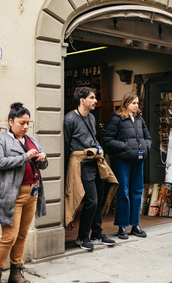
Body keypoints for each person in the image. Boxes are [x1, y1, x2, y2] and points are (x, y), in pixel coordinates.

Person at [0, 102, 48, 283]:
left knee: (22, 235)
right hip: (11, 195)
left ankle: (16, 272)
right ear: (11, 121)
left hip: (32, 193)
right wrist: (25, 157)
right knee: (9, 237)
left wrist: (43, 159)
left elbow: (43, 165)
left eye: (28, 123)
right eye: (22, 123)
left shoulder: (32, 140)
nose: (26, 126)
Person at [64, 86, 117, 250]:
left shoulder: (92, 117)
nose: (95, 101)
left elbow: (92, 137)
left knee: (99, 199)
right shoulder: (70, 119)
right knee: (91, 200)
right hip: (82, 164)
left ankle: (97, 232)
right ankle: (82, 236)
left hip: (96, 161)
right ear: (82, 100)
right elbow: (66, 145)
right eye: (92, 98)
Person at [103, 92, 152, 239]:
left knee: (137, 191)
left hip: (138, 160)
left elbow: (148, 137)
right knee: (123, 192)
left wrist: (145, 147)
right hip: (123, 160)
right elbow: (107, 139)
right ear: (126, 104)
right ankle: (122, 226)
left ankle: (135, 225)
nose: (136, 106)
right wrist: (124, 146)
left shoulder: (140, 119)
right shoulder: (117, 118)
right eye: (133, 103)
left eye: (137, 103)